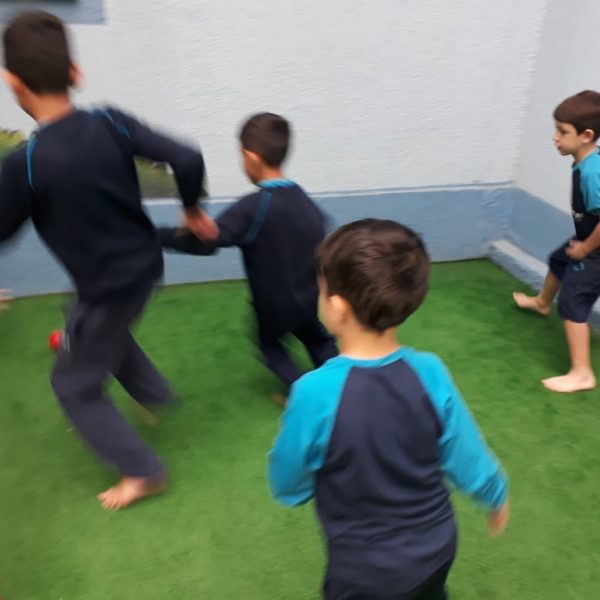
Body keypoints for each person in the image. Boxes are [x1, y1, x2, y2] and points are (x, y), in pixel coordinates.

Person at [0, 10, 216, 510]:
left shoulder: (24, 165)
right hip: (144, 269)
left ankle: (143, 471)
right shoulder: (111, 122)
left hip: (107, 287)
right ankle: (154, 394)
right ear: (75, 73)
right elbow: (187, 157)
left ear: (14, 84)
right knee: (90, 323)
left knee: (72, 384)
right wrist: (192, 209)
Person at [269, 219, 509, 599]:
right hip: (437, 547)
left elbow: (287, 476)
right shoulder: (430, 371)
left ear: (337, 307)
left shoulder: (314, 392)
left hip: (363, 571)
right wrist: (495, 493)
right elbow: (466, 452)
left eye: (321, 289)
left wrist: (296, 491)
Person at [159, 113, 337, 390]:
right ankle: (344, 385)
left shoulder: (254, 207)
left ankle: (306, 392)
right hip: (308, 298)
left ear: (250, 157)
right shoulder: (306, 202)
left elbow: (207, 242)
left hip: (273, 307)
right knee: (318, 339)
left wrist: (159, 236)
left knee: (269, 344)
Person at [513, 90, 600, 393]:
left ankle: (582, 374)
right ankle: (541, 303)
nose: (555, 137)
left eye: (562, 131)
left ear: (586, 135)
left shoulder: (593, 173)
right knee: (559, 259)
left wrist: (586, 248)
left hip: (595, 248)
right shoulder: (586, 161)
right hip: (587, 237)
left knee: (573, 302)